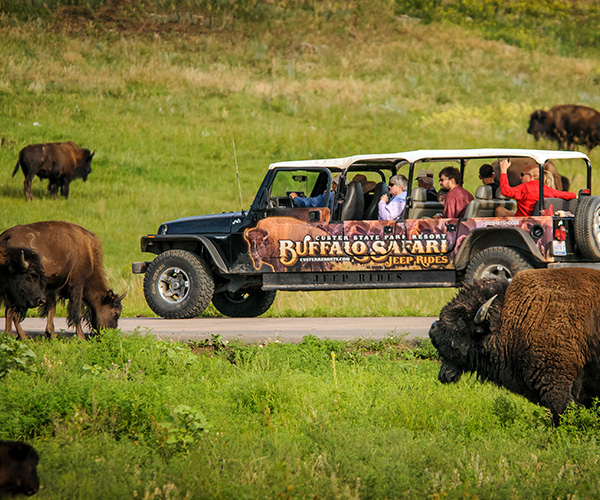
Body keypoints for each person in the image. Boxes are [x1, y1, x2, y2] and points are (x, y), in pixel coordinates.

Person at [495, 159, 576, 217]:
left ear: (530, 176)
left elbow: (506, 191)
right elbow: (569, 195)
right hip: (538, 221)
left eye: (522, 175)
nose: (520, 177)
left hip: (522, 222)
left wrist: (503, 170)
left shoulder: (524, 188)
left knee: (498, 211)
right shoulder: (547, 189)